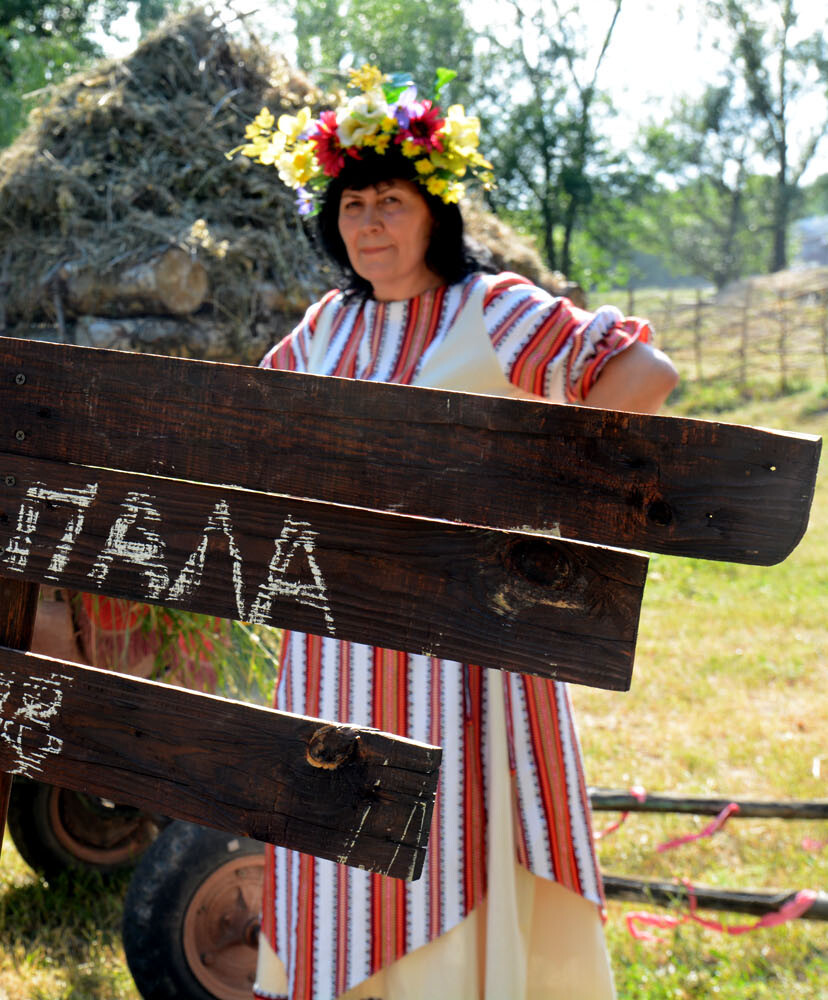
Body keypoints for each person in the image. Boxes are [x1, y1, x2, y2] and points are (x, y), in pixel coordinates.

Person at [234, 67, 677, 1000]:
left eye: (391, 201)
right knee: (338, 835)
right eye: (352, 205)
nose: (370, 224)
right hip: (337, 649)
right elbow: (251, 424)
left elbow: (642, 372)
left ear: (434, 211)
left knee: (451, 833)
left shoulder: (492, 308)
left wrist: (533, 491)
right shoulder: (327, 325)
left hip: (460, 649)